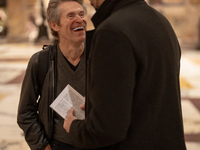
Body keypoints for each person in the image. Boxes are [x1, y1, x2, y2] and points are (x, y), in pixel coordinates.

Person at [63, 0, 187, 149]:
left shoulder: (112, 31)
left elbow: (106, 129)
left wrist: (74, 126)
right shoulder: (159, 21)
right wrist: (99, 103)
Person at [17, 0, 86, 150]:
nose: (80, 19)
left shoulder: (100, 58)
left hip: (96, 144)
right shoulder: (40, 61)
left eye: (81, 14)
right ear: (54, 25)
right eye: (71, 15)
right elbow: (25, 113)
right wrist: (44, 147)